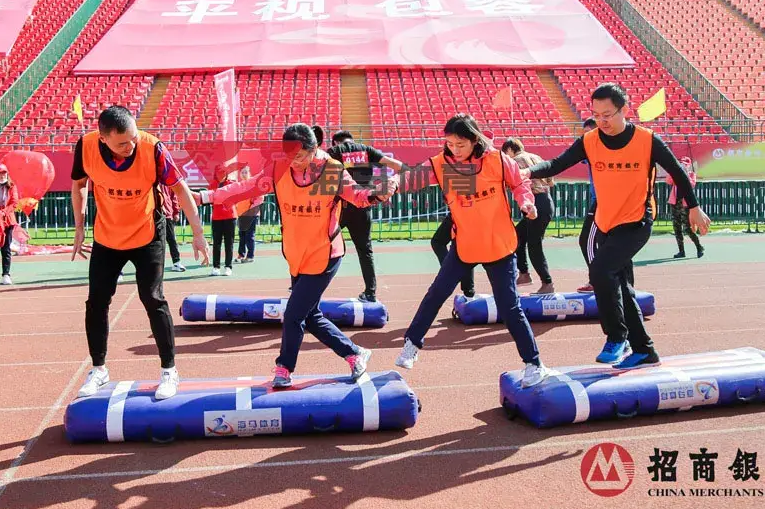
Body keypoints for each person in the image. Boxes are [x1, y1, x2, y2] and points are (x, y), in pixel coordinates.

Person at [194, 123, 398, 388]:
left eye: (300, 156)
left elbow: (358, 196)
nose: (294, 161)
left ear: (314, 150)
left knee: (293, 315)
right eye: (290, 155)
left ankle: (284, 368)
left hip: (324, 253)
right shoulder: (279, 169)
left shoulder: (330, 170)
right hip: (296, 254)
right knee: (311, 316)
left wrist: (379, 194)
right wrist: (205, 196)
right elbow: (247, 188)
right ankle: (354, 353)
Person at [524, 83, 711, 369]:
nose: (602, 121)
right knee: (622, 287)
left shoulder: (647, 140)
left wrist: (694, 208)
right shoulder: (590, 141)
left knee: (600, 271)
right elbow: (556, 164)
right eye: (596, 115)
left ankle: (617, 337)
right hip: (607, 223)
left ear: (624, 110)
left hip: (637, 221)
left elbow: (677, 171)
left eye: (608, 115)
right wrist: (527, 171)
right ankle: (644, 350)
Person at [395, 114, 549, 388]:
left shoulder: (497, 160)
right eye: (450, 143)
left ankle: (534, 363)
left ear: (475, 139)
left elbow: (519, 183)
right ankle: (412, 344)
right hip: (465, 244)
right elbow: (409, 179)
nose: (454, 149)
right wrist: (383, 186)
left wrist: (526, 202)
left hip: (499, 244)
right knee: (436, 294)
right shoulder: (441, 164)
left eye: (460, 144)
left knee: (510, 307)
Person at [71, 106, 209, 400]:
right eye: (123, 143)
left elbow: (181, 189)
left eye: (133, 138)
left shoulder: (152, 148)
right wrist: (79, 226)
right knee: (96, 301)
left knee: (153, 298)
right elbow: (79, 184)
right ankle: (99, 369)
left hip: (147, 233)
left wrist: (198, 234)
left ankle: (169, 370)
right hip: (107, 235)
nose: (131, 146)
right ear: (104, 138)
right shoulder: (86, 146)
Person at [326, 130, 406, 302]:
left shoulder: (334, 152)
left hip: (341, 207)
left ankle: (306, 286)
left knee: (322, 244)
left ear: (335, 142)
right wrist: (399, 179)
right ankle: (370, 292)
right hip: (363, 206)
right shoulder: (366, 150)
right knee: (365, 250)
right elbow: (397, 165)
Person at [501, 138, 556, 294]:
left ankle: (547, 282)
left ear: (509, 150)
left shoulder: (515, 161)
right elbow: (551, 181)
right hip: (546, 199)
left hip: (534, 201)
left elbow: (510, 182)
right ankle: (524, 274)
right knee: (518, 237)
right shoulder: (536, 157)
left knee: (534, 244)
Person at [430, 213, 475, 298]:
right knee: (465, 246)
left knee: (438, 242)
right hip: (471, 214)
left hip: (460, 213)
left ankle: (450, 271)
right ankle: (469, 291)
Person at [577, 117, 598, 293]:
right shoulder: (589, 147)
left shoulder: (597, 147)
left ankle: (596, 280)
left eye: (588, 133)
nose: (585, 137)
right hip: (600, 201)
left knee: (586, 241)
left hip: (602, 202)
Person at [669, 156, 704, 259]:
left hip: (685, 204)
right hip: (675, 203)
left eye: (685, 164)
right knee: (677, 228)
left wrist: (686, 173)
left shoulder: (692, 174)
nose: (682, 165)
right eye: (681, 164)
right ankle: (681, 251)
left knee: (687, 228)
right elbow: (668, 181)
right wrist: (674, 171)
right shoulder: (676, 174)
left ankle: (699, 247)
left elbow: (691, 185)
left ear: (688, 165)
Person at [208, 165, 237, 276]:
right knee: (216, 243)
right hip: (217, 217)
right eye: (218, 173)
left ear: (226, 173)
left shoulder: (231, 184)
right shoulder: (212, 185)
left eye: (223, 173)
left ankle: (228, 266)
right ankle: (216, 267)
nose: (221, 175)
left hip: (230, 217)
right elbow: (210, 199)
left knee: (229, 243)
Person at [234, 164, 263, 263]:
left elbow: (260, 198)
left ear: (249, 173)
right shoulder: (239, 185)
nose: (244, 174)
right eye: (242, 172)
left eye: (246, 172)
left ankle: (250, 256)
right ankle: (241, 254)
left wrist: (251, 210)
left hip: (251, 214)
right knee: (242, 235)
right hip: (241, 214)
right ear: (239, 174)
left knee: (249, 235)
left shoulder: (254, 184)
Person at [161, 182, 186, 272]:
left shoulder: (167, 180)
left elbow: (173, 196)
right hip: (152, 216)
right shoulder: (149, 178)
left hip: (167, 214)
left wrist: (176, 212)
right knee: (154, 243)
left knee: (172, 240)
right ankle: (155, 265)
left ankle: (176, 263)